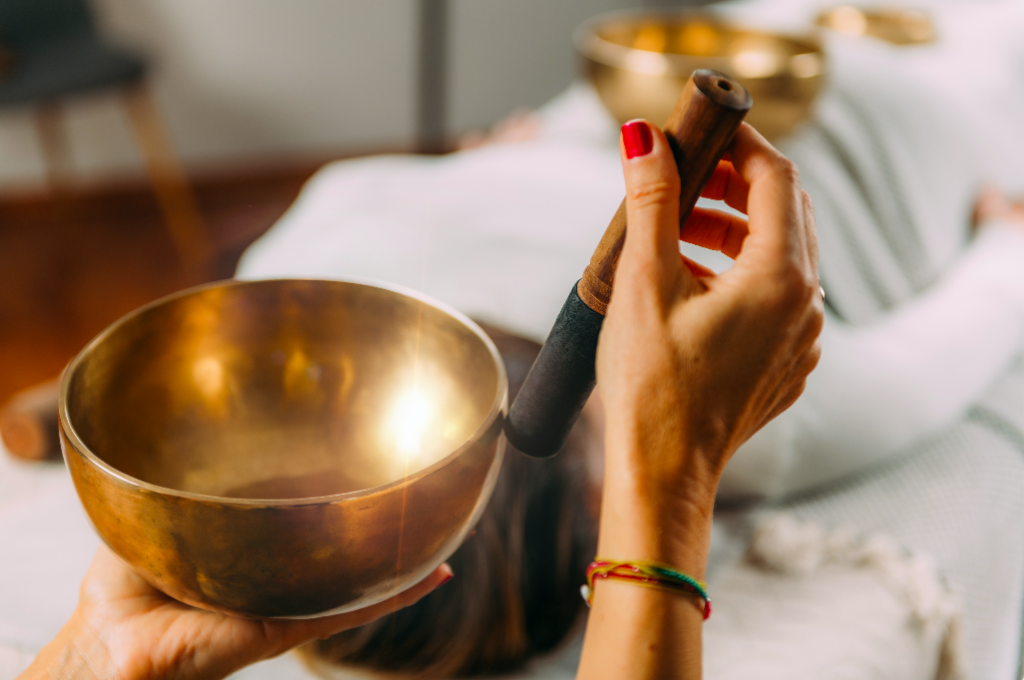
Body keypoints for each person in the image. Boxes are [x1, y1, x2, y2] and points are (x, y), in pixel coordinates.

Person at [17, 121, 823, 680]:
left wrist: (99, 656)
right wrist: (672, 478)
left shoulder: (274, 309)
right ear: (595, 494)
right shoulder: (732, 373)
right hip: (792, 168)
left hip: (502, 150)